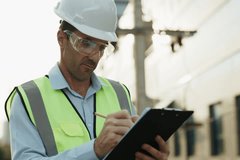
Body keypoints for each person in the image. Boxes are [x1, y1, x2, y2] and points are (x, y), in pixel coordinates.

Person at [4, 0, 170, 159]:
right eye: (86, 43)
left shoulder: (120, 93)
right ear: (61, 38)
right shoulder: (29, 98)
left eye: (102, 47)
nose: (94, 56)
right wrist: (94, 150)